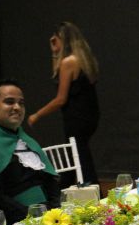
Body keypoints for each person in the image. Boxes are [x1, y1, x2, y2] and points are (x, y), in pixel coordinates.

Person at [28, 21, 100, 186]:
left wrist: (37, 115)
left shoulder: (68, 62)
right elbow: (57, 77)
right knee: (75, 155)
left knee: (81, 159)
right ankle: (63, 189)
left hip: (76, 118)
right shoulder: (84, 60)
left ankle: (94, 193)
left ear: (63, 39)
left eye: (56, 39)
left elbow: (60, 98)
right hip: (90, 116)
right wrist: (55, 53)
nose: (53, 41)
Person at [0, 79, 60, 225]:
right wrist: (32, 218)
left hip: (45, 217)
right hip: (15, 223)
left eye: (21, 103)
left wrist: (54, 213)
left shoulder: (27, 141)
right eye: (9, 102)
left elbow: (50, 181)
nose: (17, 107)